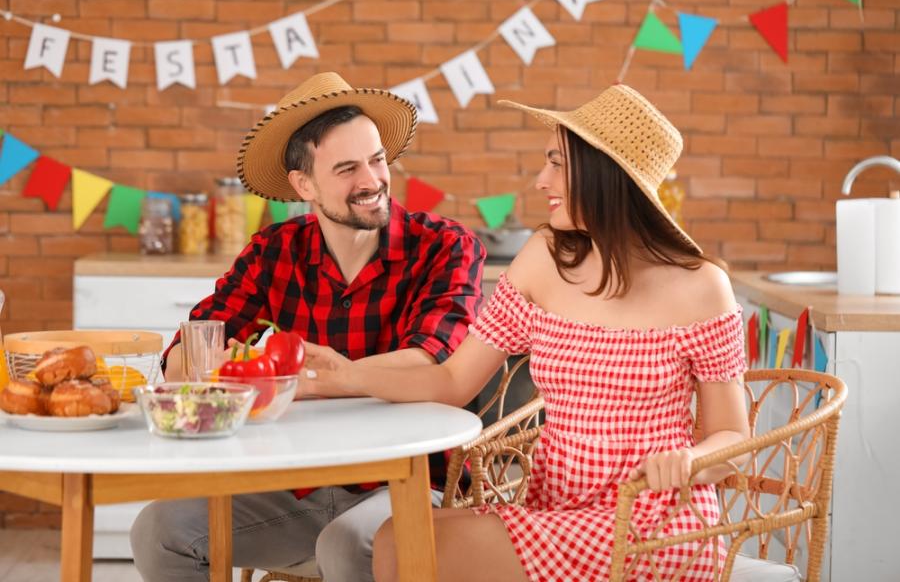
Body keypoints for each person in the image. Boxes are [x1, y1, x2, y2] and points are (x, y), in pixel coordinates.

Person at [301, 84, 751, 581]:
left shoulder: (703, 287)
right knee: (397, 537)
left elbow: (732, 437)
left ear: (603, 174)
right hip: (556, 510)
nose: (541, 181)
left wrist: (689, 460)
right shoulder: (544, 258)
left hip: (657, 524)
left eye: (556, 164)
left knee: (403, 545)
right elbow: (452, 380)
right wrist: (345, 375)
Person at [130, 72, 486, 582]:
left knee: (347, 544)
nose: (372, 180)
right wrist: (213, 368)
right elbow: (189, 353)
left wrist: (315, 379)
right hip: (296, 485)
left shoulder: (445, 246)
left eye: (377, 160)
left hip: (407, 483)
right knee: (159, 531)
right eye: (347, 169)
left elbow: (432, 362)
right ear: (304, 185)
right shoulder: (273, 252)